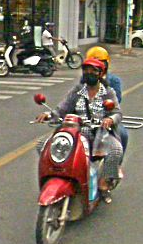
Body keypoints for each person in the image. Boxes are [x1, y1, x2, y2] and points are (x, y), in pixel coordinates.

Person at [39, 57, 124, 199]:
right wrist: (49, 115)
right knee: (43, 145)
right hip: (76, 134)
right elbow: (62, 109)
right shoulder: (77, 91)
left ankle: (104, 183)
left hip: (99, 134)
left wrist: (110, 119)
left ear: (100, 74)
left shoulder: (108, 92)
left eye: (93, 71)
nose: (89, 73)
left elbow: (117, 113)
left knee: (116, 150)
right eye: (86, 70)